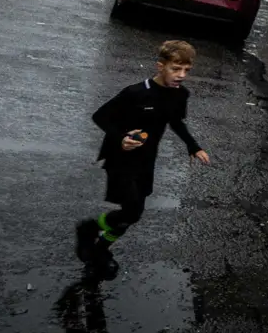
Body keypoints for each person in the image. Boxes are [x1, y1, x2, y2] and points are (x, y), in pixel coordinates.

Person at [74, 40, 211, 277]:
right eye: (175, 69)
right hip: (120, 159)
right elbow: (101, 116)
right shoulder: (136, 93)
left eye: (186, 70)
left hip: (147, 161)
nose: (181, 75)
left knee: (132, 215)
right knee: (131, 211)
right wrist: (121, 139)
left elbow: (176, 122)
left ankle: (98, 244)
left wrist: (193, 147)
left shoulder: (181, 95)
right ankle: (93, 234)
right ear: (160, 66)